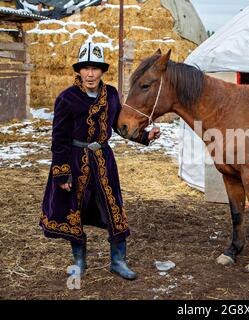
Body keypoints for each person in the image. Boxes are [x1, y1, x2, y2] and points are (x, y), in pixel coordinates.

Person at [40, 42, 160, 280]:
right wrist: (62, 173)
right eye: (86, 68)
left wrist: (145, 136)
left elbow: (119, 126)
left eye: (95, 68)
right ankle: (79, 261)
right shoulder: (67, 98)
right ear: (79, 71)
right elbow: (59, 138)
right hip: (75, 161)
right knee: (74, 211)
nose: (90, 73)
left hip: (104, 161)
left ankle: (118, 261)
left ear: (103, 71)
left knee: (114, 209)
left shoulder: (112, 94)